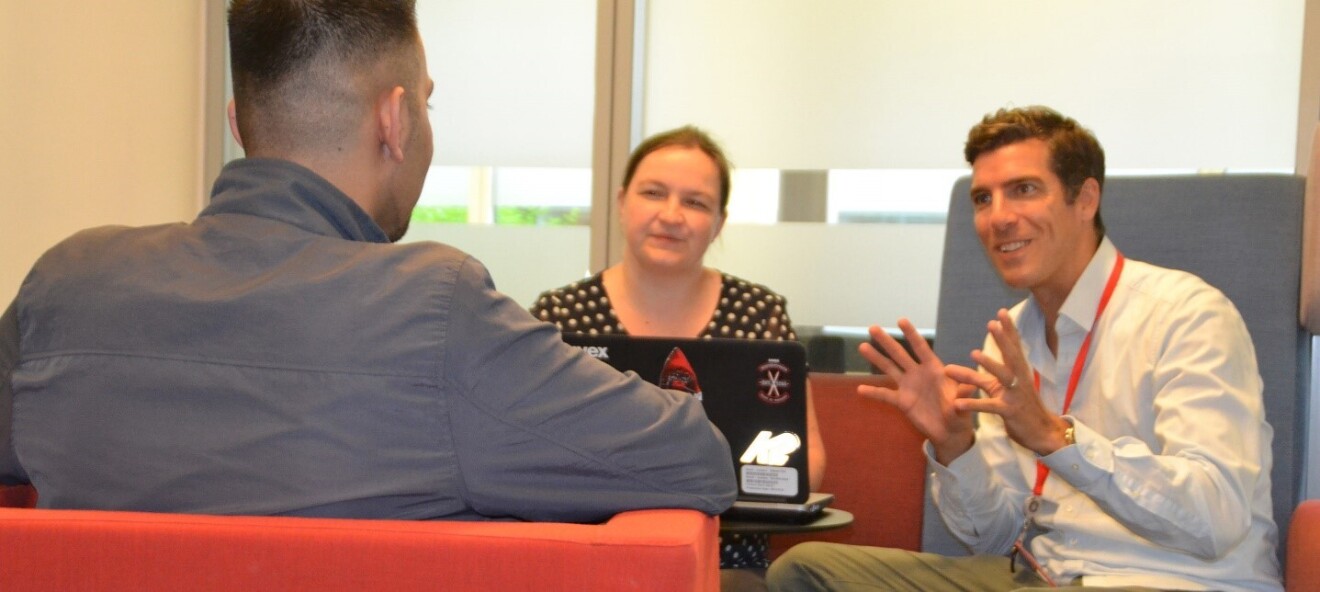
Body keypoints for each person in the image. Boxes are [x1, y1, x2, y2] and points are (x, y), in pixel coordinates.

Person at [0, 0, 737, 525]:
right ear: (397, 119)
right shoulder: (435, 310)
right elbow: (694, 460)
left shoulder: (65, 282)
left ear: (237, 121)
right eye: (427, 105)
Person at [767, 106, 1281, 591]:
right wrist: (955, 443)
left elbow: (1217, 518)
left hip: (1170, 580)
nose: (999, 217)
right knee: (806, 571)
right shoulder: (1012, 336)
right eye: (983, 198)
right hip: (1042, 576)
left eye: (1024, 190)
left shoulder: (1185, 314)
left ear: (1085, 200)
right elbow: (993, 537)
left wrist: (1056, 438)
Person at [531, 126, 826, 590]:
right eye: (653, 193)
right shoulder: (559, 317)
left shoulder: (760, 315)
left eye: (695, 202)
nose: (671, 215)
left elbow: (807, 464)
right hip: (589, 562)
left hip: (727, 568)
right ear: (622, 202)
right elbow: (526, 456)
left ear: (720, 222)